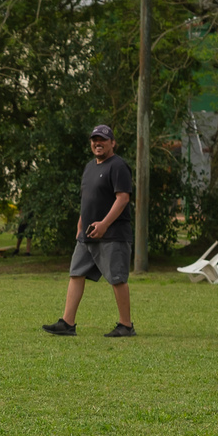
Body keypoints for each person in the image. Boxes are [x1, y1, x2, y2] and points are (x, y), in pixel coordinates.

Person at [42, 124, 136, 337]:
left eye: (103, 139)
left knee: (117, 278)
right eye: (94, 140)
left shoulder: (118, 165)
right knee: (76, 273)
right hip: (88, 234)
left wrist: (104, 224)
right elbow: (88, 198)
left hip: (112, 234)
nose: (98, 143)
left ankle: (126, 325)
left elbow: (123, 199)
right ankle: (67, 323)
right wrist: (81, 222)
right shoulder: (89, 167)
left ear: (112, 143)